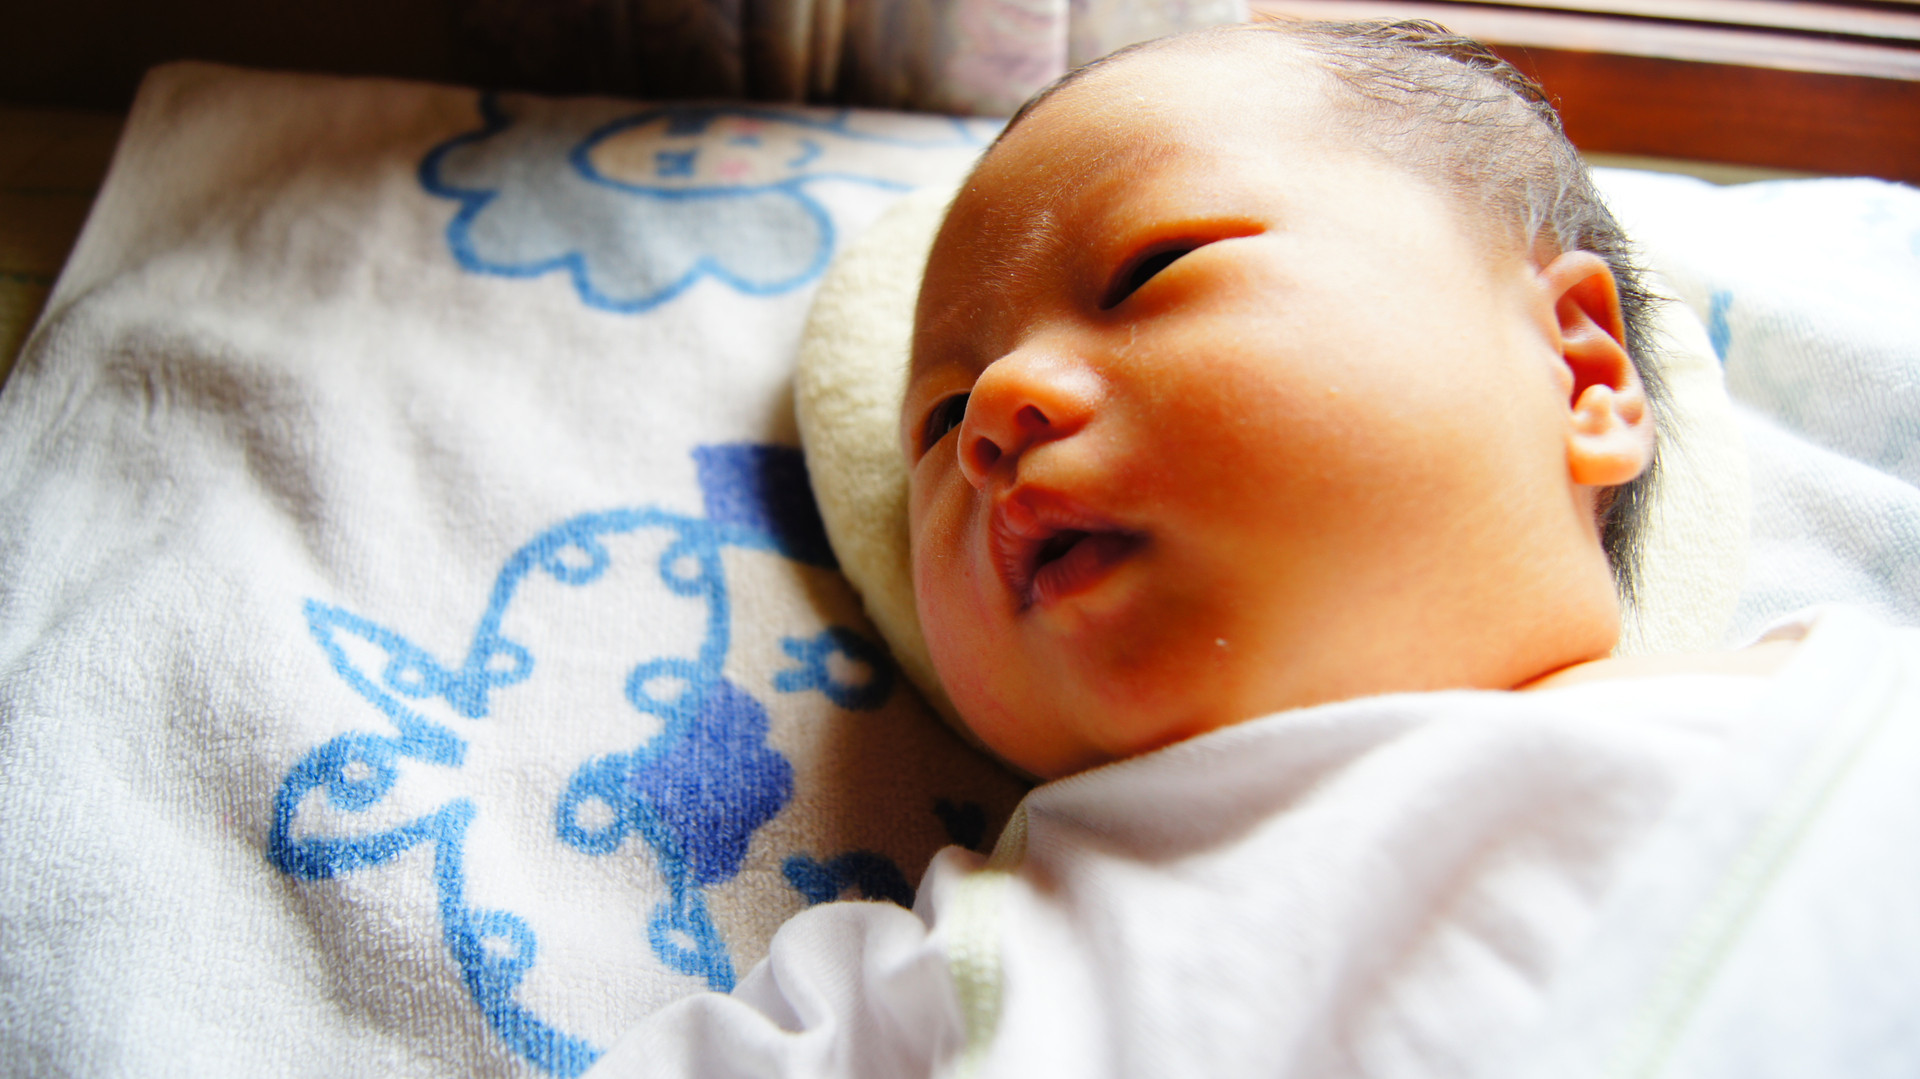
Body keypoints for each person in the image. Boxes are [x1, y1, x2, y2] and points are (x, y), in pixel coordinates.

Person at [586, 21, 1920, 1077]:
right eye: (940, 422)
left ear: (1577, 374)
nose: (995, 411)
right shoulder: (940, 984)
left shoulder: (1845, 723)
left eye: (1150, 271)